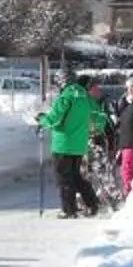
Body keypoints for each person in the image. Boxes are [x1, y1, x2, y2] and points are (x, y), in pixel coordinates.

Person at [39, 71, 105, 217]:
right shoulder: (86, 97)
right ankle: (92, 203)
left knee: (63, 178)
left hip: (63, 144)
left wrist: (41, 119)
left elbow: (54, 119)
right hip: (79, 145)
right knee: (76, 176)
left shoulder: (66, 97)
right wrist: (95, 129)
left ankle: (69, 210)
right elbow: (99, 117)